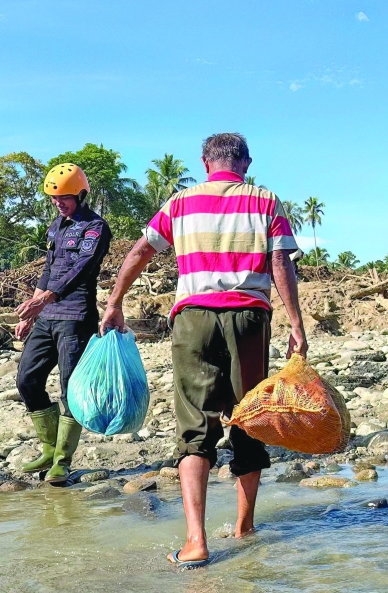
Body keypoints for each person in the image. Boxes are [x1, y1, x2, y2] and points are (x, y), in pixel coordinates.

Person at [99, 132, 307, 568]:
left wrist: (115, 301)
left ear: (204, 162)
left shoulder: (180, 202)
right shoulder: (266, 200)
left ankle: (196, 542)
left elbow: (141, 251)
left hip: (193, 318)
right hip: (250, 318)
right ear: (246, 162)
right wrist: (297, 324)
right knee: (249, 416)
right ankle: (245, 527)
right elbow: (280, 262)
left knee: (194, 426)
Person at [13, 163, 112, 484]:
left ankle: (62, 461)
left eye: (66, 198)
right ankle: (48, 447)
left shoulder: (95, 228)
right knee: (27, 380)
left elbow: (80, 269)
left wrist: (45, 299)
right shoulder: (56, 226)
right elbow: (49, 269)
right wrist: (33, 310)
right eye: (54, 199)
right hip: (47, 316)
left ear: (81, 195)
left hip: (76, 317)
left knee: (70, 389)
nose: (59, 203)